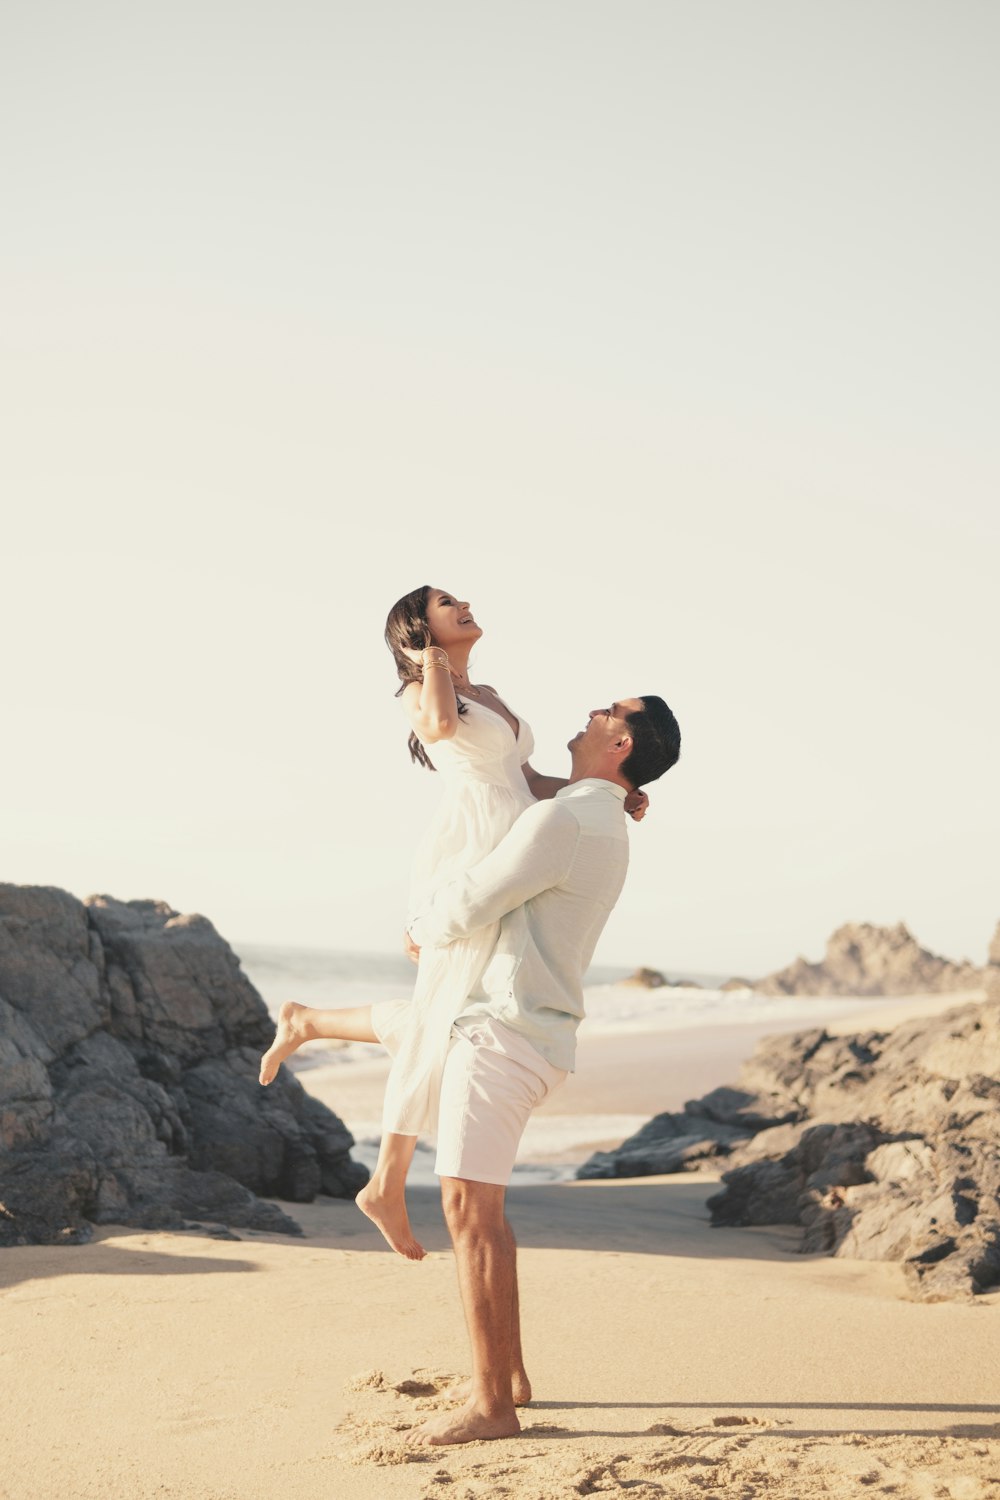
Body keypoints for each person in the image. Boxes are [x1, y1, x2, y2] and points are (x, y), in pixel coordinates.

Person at [258, 585, 648, 1260]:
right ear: (419, 627)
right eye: (445, 601)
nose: (464, 602)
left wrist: (610, 790)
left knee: (446, 1008)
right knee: (441, 1007)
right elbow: (438, 729)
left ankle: (309, 1024)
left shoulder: (491, 691)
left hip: (515, 840)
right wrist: (430, 661)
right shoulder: (419, 693)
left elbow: (526, 780)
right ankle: (385, 1180)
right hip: (468, 849)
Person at [402, 691, 681, 1447]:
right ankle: (511, 1378)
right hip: (534, 1032)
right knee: (483, 1212)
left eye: (607, 709)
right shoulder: (599, 815)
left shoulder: (570, 819)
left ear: (620, 741)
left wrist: (420, 927)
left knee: (468, 1213)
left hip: (504, 1033)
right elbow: (513, 776)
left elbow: (480, 898)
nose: (591, 710)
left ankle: (493, 1406)